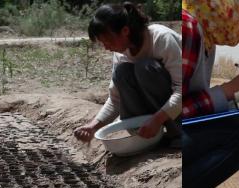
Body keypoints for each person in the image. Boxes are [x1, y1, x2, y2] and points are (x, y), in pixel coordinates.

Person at [182, 0, 239, 188]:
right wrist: (230, 89)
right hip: (162, 131)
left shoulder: (206, 38)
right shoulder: (188, 28)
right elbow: (174, 109)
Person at [74, 2, 181, 145]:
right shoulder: (121, 53)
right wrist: (93, 127)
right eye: (102, 43)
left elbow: (182, 90)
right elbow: (115, 99)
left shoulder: (161, 38)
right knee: (122, 72)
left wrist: (157, 120)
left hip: (183, 110)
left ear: (125, 31)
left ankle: (176, 132)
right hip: (154, 117)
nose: (106, 48)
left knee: (145, 68)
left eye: (108, 41)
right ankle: (143, 134)